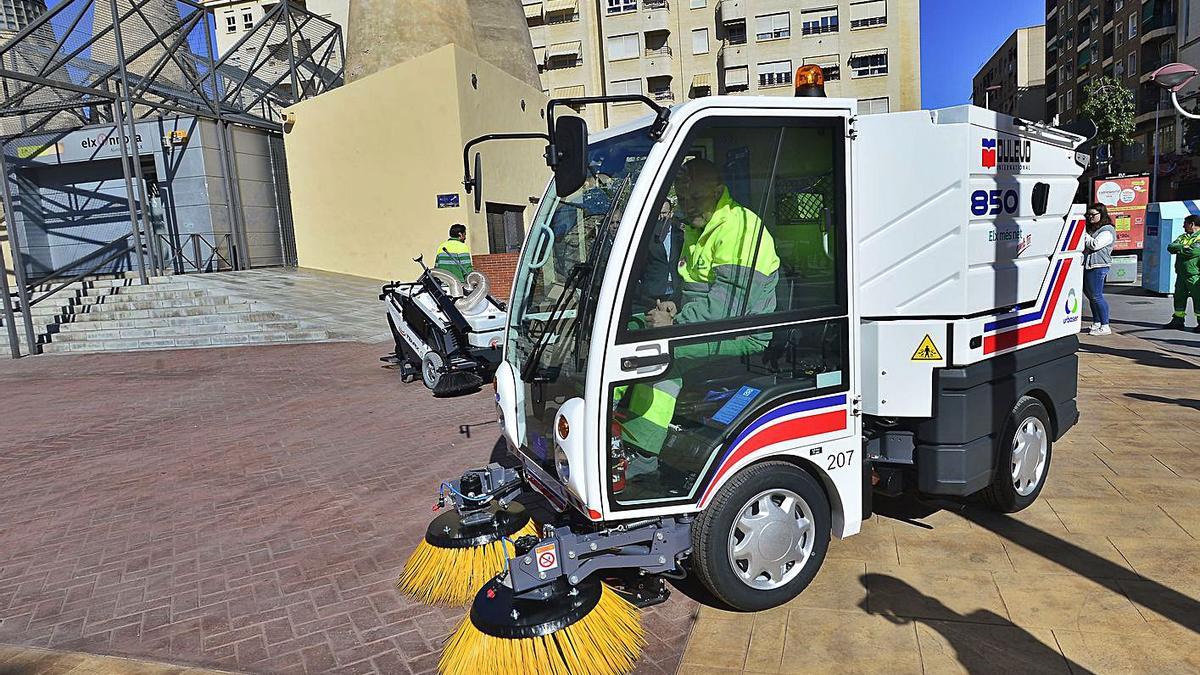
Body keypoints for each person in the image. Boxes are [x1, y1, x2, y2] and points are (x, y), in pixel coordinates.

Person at [618, 158, 780, 474]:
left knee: (660, 356)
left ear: (718, 191)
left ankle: (645, 452)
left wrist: (674, 325)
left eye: (696, 198)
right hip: (705, 323)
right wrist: (674, 307)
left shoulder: (736, 230)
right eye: (683, 198)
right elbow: (697, 290)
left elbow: (726, 312)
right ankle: (612, 424)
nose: (688, 206)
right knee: (631, 330)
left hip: (742, 333)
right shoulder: (700, 225)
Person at [1082, 203, 1116, 336]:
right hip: (1089, 265)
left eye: (1093, 215)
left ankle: (1105, 325)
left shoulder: (1107, 230)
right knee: (1091, 296)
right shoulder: (1094, 229)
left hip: (1099, 266)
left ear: (1101, 214)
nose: (1090, 217)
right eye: (1088, 214)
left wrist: (1083, 234)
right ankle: (1097, 322)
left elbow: (1095, 245)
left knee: (1096, 296)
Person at [1165, 214, 1200, 331]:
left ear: (1192, 224)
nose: (1183, 226)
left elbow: (1194, 251)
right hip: (1181, 273)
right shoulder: (1184, 237)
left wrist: (1180, 248)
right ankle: (1178, 320)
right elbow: (1170, 247)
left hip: (1195, 274)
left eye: (1185, 223)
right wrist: (1184, 247)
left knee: (1198, 298)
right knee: (1179, 297)